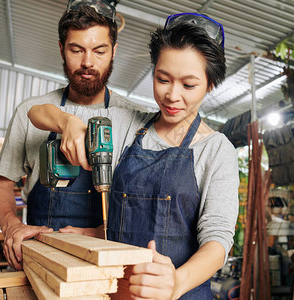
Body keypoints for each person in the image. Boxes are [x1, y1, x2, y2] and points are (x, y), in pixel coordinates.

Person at [28, 13, 239, 299]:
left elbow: (217, 241)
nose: (172, 95)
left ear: (210, 85)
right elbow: (37, 113)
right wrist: (67, 123)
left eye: (189, 85)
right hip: (116, 290)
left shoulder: (216, 150)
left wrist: (175, 282)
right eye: (162, 79)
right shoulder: (127, 125)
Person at [0, 0, 146, 271]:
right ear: (62, 49)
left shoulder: (136, 119)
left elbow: (143, 202)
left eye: (99, 51)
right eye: (76, 49)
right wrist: (12, 226)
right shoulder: (30, 110)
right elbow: (1, 185)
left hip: (110, 264)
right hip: (41, 260)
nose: (87, 62)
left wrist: (100, 232)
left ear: (114, 51)